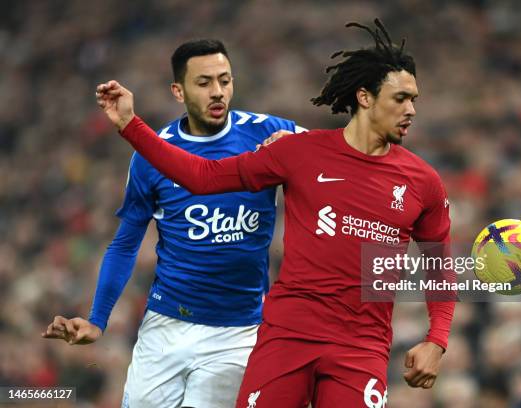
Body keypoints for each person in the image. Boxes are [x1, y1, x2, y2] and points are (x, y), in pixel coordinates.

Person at [96, 19, 455, 407]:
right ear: (365, 97)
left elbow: (440, 264)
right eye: (400, 98)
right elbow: (203, 177)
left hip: (361, 347)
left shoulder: (423, 181)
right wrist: (131, 125)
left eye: (414, 99)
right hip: (286, 337)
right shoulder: (301, 152)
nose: (412, 110)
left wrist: (437, 339)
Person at [43, 39, 304, 408]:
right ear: (178, 91)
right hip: (165, 326)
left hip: (238, 332)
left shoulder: (269, 133)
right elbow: (125, 242)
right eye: (204, 83)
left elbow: (340, 156)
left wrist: (306, 153)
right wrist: (97, 320)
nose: (217, 92)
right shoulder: (151, 155)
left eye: (225, 80)